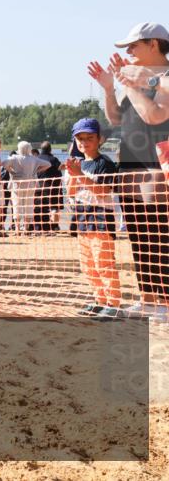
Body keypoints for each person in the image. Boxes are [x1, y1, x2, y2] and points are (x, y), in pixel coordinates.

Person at [88, 21, 169, 319]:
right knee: (137, 233)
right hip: (130, 164)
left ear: (154, 44)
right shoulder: (136, 77)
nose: (129, 51)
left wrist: (133, 84)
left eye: (133, 45)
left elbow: (154, 115)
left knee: (158, 234)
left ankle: (165, 301)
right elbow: (116, 118)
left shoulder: (165, 77)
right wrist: (110, 88)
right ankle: (148, 299)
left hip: (155, 167)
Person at [65, 118, 121, 318]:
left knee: (103, 262)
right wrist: (73, 173)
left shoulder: (105, 163)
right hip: (82, 218)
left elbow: (103, 191)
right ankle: (100, 300)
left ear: (100, 139)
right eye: (80, 138)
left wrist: (79, 174)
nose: (84, 142)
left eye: (89, 138)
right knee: (87, 265)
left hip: (101, 218)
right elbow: (71, 192)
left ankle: (113, 303)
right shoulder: (79, 163)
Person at [1, 142, 52, 235]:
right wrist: (36, 171)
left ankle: (17, 229)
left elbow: (3, 163)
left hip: (17, 185)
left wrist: (11, 171)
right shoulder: (34, 158)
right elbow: (48, 164)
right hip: (30, 185)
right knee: (28, 206)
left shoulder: (14, 158)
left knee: (17, 205)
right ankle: (26, 228)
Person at [33, 141, 63, 234]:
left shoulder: (36, 159)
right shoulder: (54, 159)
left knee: (40, 207)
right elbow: (60, 169)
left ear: (41, 149)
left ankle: (40, 226)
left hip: (39, 186)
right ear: (50, 149)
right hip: (53, 186)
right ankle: (54, 226)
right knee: (54, 207)